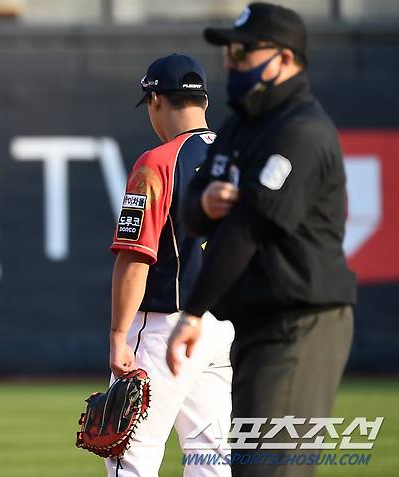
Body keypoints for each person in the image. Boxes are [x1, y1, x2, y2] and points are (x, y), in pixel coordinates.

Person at [166, 4, 356, 476]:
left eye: (246, 51)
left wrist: (192, 312)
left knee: (271, 470)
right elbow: (193, 212)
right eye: (229, 50)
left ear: (286, 59)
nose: (232, 60)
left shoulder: (301, 131)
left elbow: (247, 228)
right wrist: (205, 204)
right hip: (255, 325)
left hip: (299, 323)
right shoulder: (240, 126)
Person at [108, 53, 234, 477]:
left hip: (165, 326)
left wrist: (118, 335)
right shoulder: (237, 157)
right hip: (222, 328)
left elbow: (135, 255)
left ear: (156, 99)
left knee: (130, 452)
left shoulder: (158, 162)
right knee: (210, 454)